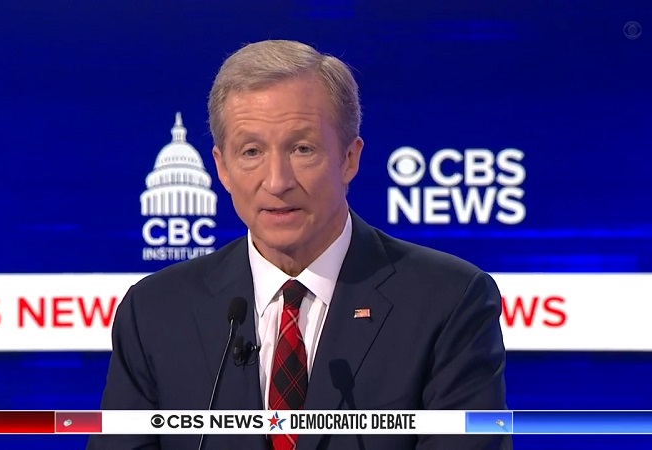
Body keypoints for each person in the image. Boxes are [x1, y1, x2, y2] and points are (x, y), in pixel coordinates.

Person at [87, 39, 510, 450]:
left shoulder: (448, 300)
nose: (277, 182)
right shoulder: (155, 311)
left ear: (349, 158)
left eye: (302, 149)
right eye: (251, 151)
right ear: (222, 168)